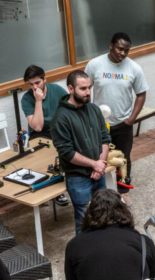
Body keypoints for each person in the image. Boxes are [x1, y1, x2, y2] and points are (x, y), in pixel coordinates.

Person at [84, 32, 149, 206]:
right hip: (98, 125)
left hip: (123, 123)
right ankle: (98, 192)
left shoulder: (134, 68)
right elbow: (85, 90)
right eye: (120, 49)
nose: (123, 53)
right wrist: (87, 115)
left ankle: (124, 190)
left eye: (126, 50)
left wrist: (131, 119)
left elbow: (141, 94)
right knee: (97, 157)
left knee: (123, 158)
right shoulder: (95, 65)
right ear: (111, 45)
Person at [51, 70, 111, 234]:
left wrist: (100, 164)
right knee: (83, 222)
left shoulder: (94, 109)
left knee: (104, 215)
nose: (88, 92)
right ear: (70, 89)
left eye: (89, 87)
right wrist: (95, 164)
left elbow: (105, 138)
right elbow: (66, 152)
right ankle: (85, 257)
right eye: (83, 89)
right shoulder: (61, 118)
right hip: (78, 178)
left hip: (99, 173)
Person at [20, 64, 70, 207]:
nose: (35, 87)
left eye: (38, 83)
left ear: (44, 79)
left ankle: (68, 181)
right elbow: (37, 126)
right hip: (39, 134)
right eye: (31, 84)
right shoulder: (27, 99)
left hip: (58, 129)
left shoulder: (57, 90)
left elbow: (71, 111)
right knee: (46, 150)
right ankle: (54, 190)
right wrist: (38, 101)